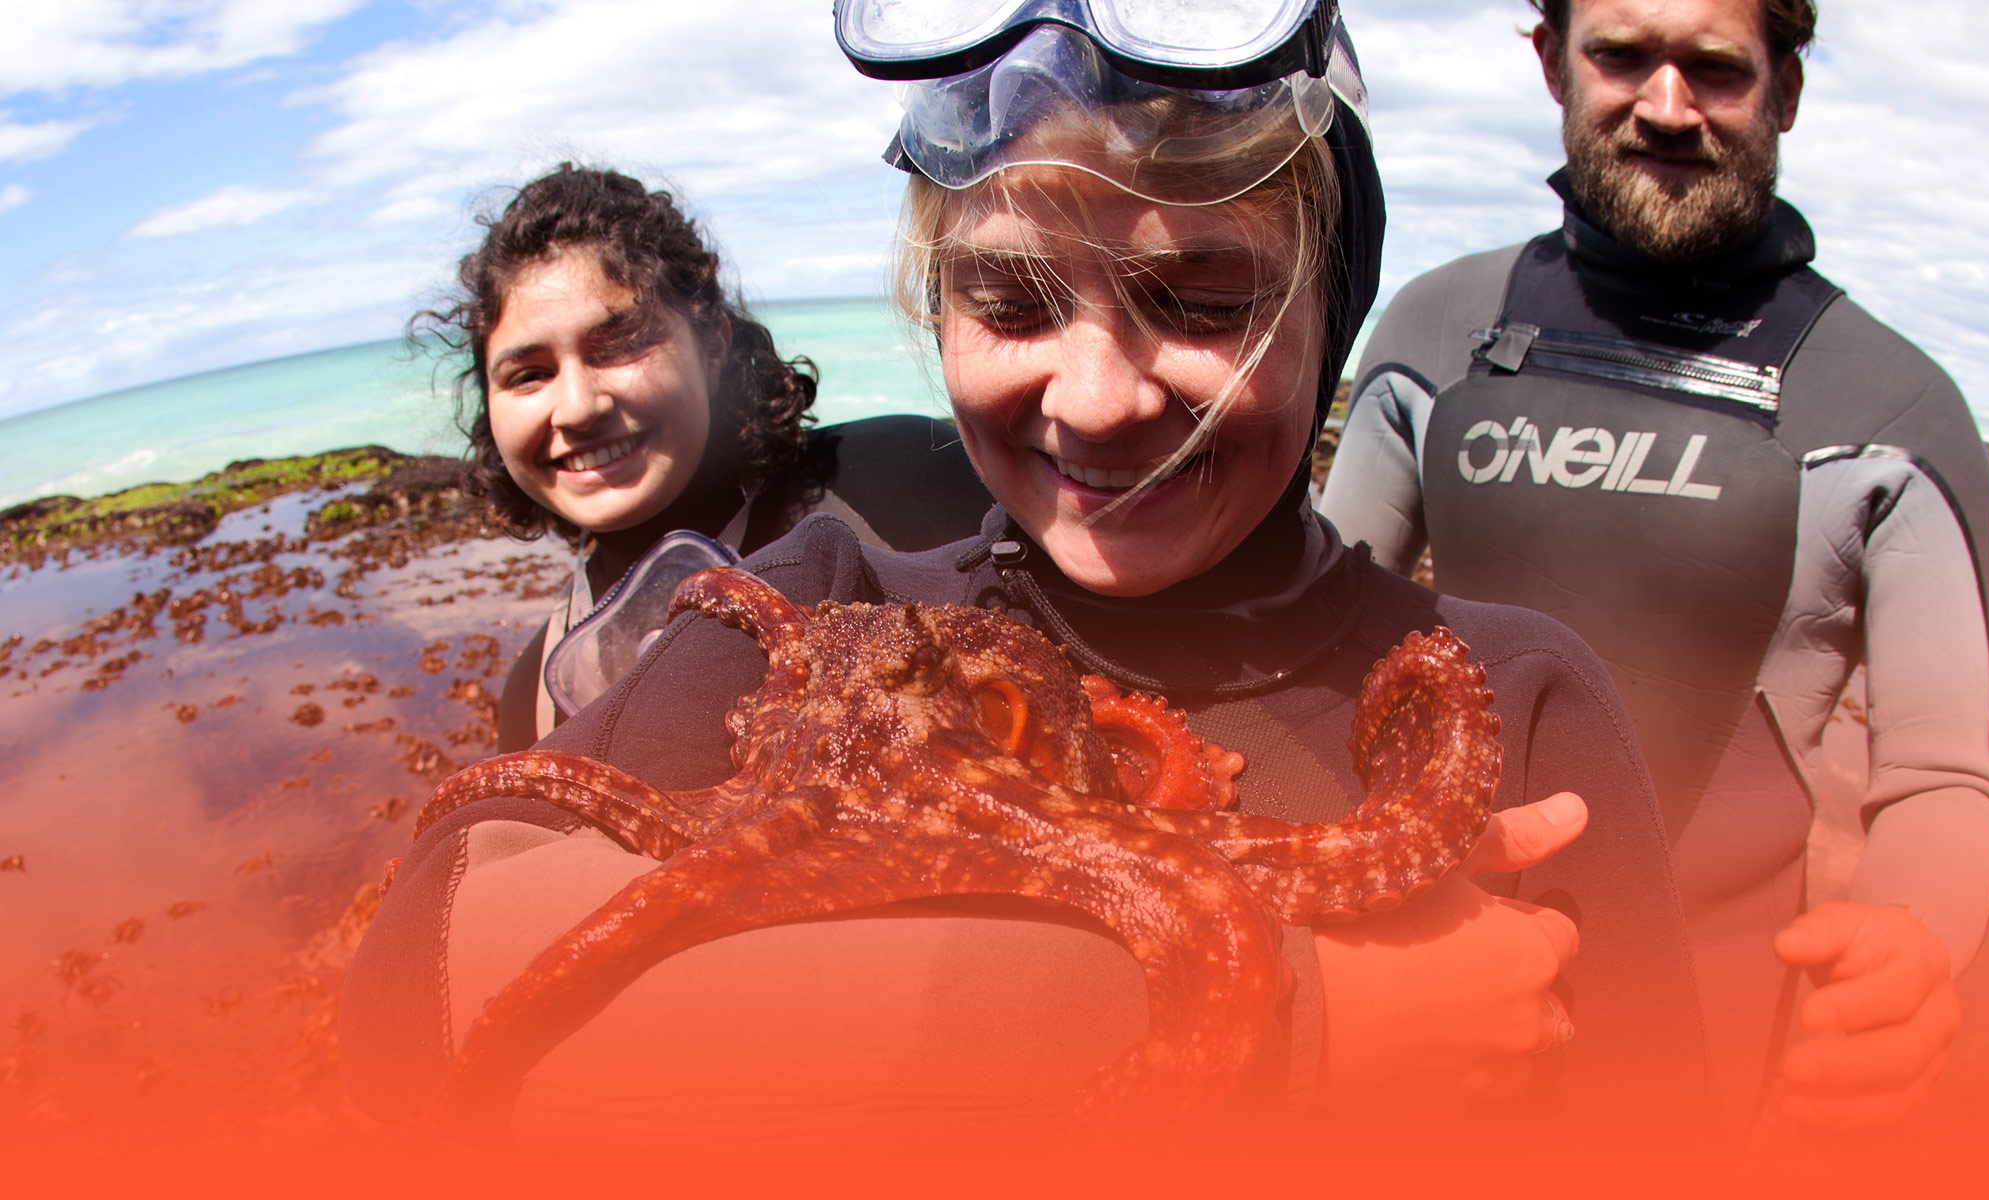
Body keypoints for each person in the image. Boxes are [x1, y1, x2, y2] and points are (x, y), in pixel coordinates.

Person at [344, 3, 1706, 1135]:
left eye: (1204, 299)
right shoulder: (824, 621)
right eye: (1008, 301)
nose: (1100, 398)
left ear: (1329, 301)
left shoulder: (1530, 700)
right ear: (935, 300)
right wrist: (1289, 1018)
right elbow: (413, 992)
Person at [1317, 0, 1989, 1132]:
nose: (1665, 107)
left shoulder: (1893, 405)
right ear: (1549, 61)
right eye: (1621, 56)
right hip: (1430, 1028)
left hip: (1714, 1072)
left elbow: (1940, 775)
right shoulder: (1435, 333)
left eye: (1715, 68)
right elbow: (1312, 648)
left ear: (1784, 86)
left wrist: (1908, 951)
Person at [413, 164, 994, 751]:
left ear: (713, 344)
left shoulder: (905, 479)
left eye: (619, 345)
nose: (577, 408)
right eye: (528, 375)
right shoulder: (534, 704)